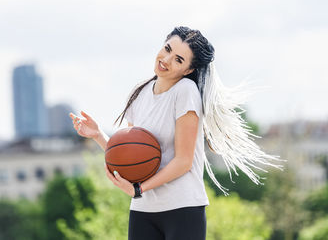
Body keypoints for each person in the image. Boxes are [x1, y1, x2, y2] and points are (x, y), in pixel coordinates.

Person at [69, 26, 285, 240]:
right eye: (167, 49)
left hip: (182, 209)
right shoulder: (140, 93)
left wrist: (139, 189)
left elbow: (184, 161)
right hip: (143, 210)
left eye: (179, 60)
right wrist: (98, 134)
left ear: (188, 70)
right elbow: (127, 154)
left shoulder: (185, 92)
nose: (167, 59)